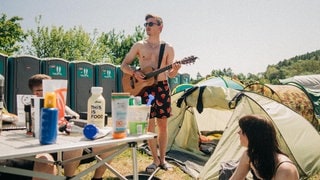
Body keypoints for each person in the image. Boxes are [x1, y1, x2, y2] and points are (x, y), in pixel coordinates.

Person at [121, 13, 181, 173]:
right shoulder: (139, 45)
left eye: (151, 24)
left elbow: (171, 74)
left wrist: (175, 70)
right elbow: (124, 65)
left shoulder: (168, 48)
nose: (147, 27)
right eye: (146, 24)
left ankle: (163, 160)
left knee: (163, 125)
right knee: (149, 124)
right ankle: (154, 159)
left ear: (160, 27)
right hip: (144, 88)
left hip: (162, 87)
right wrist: (134, 73)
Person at [230, 114, 299, 180]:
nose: (238, 132)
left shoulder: (285, 169)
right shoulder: (250, 155)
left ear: (252, 136)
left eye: (242, 130)